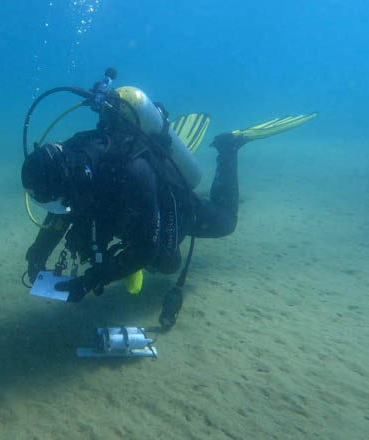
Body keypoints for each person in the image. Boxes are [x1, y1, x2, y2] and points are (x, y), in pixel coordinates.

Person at [21, 71, 315, 329]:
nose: (61, 208)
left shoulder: (133, 172)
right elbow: (61, 211)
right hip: (118, 205)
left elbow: (148, 245)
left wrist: (90, 281)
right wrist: (37, 254)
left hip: (166, 200)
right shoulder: (70, 160)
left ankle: (229, 147)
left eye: (61, 201)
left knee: (200, 239)